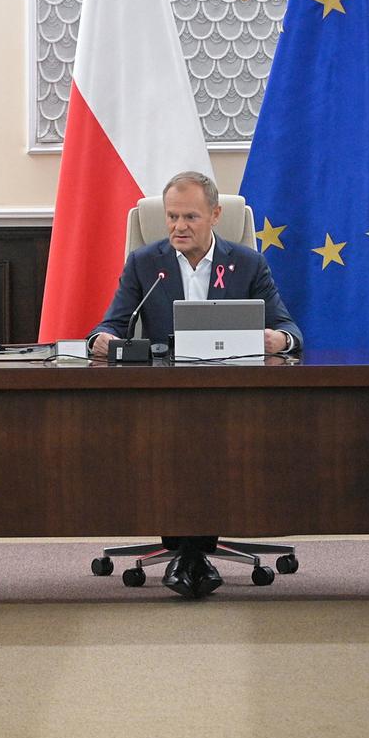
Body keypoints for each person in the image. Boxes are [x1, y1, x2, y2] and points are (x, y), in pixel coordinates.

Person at [89, 170, 303, 599]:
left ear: (215, 216)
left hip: (232, 398)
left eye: (189, 217)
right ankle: (191, 554)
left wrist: (279, 339)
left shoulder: (247, 263)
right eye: (171, 217)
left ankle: (191, 554)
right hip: (164, 399)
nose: (178, 227)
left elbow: (290, 330)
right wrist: (102, 341)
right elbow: (109, 325)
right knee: (179, 442)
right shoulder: (145, 263)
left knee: (202, 443)